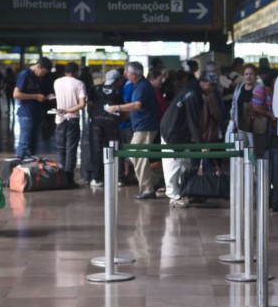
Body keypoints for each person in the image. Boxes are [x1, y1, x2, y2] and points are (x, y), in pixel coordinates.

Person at [159, 71, 217, 208]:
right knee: (173, 165)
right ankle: (174, 196)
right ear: (208, 84)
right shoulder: (192, 94)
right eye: (213, 86)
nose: (213, 90)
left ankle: (185, 191)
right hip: (172, 132)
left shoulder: (192, 90)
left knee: (185, 164)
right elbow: (193, 121)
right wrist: (200, 143)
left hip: (178, 131)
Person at [105, 62, 159, 200]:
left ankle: (150, 187)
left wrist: (116, 107)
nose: (124, 74)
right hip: (142, 126)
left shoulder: (142, 87)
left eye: (126, 72)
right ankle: (152, 183)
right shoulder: (139, 85)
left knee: (136, 156)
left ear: (134, 74)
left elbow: (136, 105)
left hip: (144, 127)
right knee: (136, 157)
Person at [87, 69, 124, 188]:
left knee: (96, 150)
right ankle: (118, 178)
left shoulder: (95, 89)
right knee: (116, 149)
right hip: (112, 122)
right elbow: (122, 109)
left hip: (96, 122)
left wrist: (92, 117)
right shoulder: (118, 91)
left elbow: (89, 105)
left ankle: (97, 179)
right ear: (117, 80)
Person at [53, 62, 86, 187]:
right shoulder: (79, 84)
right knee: (71, 150)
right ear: (76, 72)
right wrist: (68, 110)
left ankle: (60, 179)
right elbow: (82, 104)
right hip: (72, 119)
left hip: (59, 119)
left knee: (61, 150)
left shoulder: (56, 82)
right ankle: (69, 180)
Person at [13, 57, 52, 159]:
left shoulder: (37, 77)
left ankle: (29, 168)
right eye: (43, 72)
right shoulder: (24, 75)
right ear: (39, 66)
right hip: (26, 114)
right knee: (24, 144)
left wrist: (45, 97)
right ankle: (20, 169)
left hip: (35, 113)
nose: (43, 75)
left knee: (33, 145)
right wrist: (35, 96)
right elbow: (16, 94)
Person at [228, 63, 258, 148]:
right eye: (246, 74)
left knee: (254, 150)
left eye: (251, 74)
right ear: (243, 76)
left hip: (254, 127)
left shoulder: (259, 87)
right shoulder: (239, 87)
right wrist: (232, 117)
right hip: (240, 125)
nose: (248, 77)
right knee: (240, 150)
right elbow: (234, 103)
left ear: (255, 75)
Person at [250, 69, 276, 159]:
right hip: (262, 127)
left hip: (272, 128)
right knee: (260, 152)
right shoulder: (261, 90)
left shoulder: (276, 90)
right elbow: (255, 107)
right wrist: (269, 114)